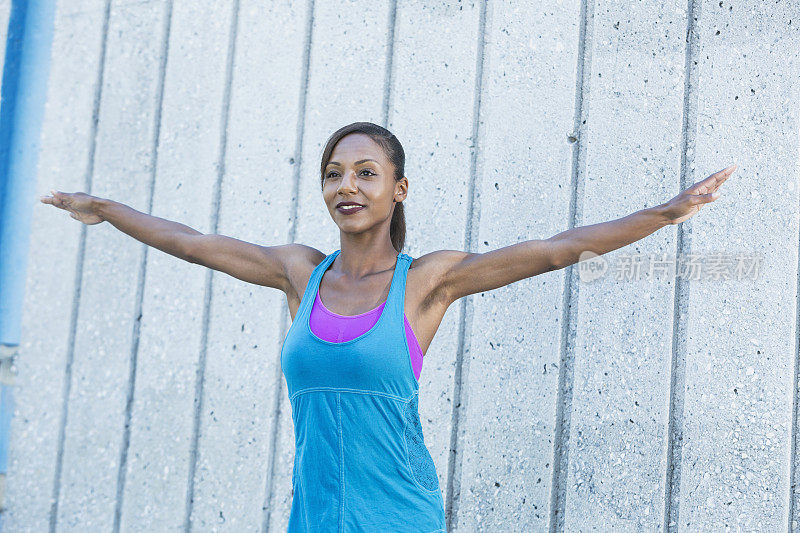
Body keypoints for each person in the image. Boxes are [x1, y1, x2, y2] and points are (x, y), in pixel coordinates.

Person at [40, 121, 734, 532]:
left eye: (366, 173)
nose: (347, 185)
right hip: (314, 516)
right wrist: (105, 206)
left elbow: (552, 250)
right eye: (334, 173)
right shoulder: (298, 273)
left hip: (399, 515)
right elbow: (191, 241)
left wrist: (664, 213)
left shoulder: (426, 282)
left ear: (397, 189)